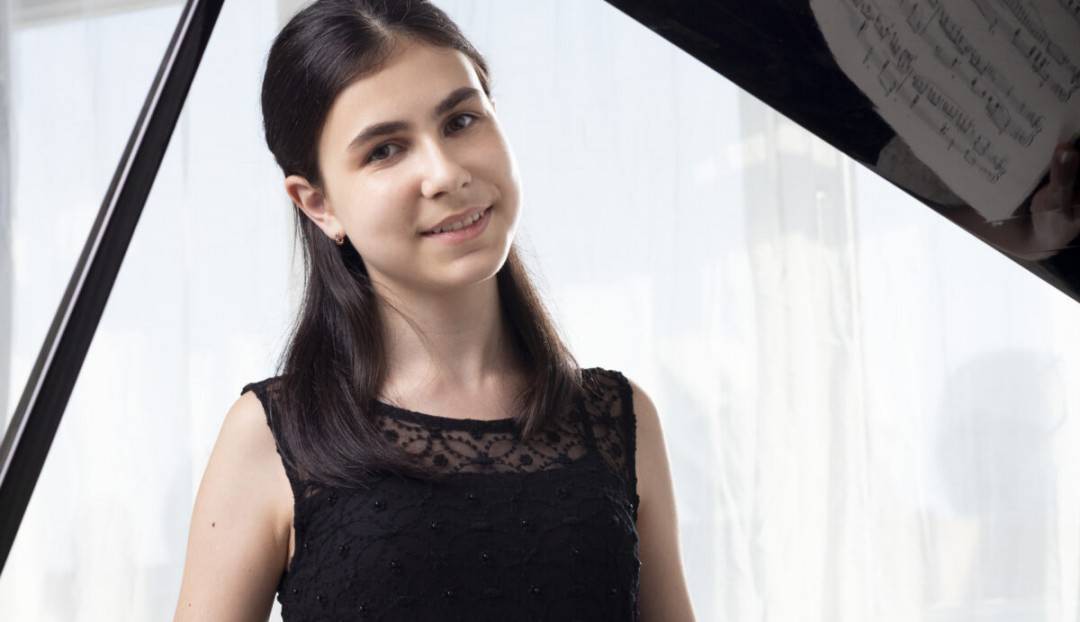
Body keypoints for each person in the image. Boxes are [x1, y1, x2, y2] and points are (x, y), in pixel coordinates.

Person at [172, 1, 696, 620]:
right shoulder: (270, 437)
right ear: (318, 204)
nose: (445, 174)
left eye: (461, 120)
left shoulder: (618, 418)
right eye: (385, 150)